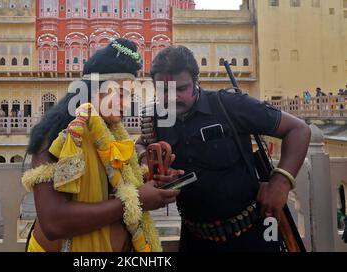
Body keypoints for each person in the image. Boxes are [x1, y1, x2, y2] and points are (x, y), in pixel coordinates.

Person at [135, 46, 311, 252]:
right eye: (164, 90)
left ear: (196, 82)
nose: (172, 97)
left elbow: (299, 130)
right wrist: (146, 161)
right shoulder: (155, 118)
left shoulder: (229, 105)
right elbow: (142, 143)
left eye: (181, 89)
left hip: (251, 235)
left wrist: (281, 182)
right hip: (195, 239)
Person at [22, 38, 179, 252]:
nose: (125, 105)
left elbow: (112, 185)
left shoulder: (112, 133)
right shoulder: (61, 136)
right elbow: (54, 222)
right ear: (93, 91)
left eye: (129, 97)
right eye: (120, 94)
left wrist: (151, 179)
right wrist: (135, 200)